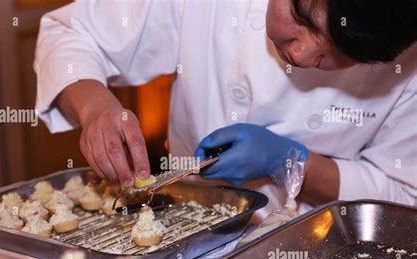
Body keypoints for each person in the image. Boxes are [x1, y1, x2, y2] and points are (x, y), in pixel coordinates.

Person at [34, 0, 416, 217]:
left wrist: (292, 162)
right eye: (300, 19)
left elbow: (404, 195)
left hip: (323, 245)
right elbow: (70, 33)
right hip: (183, 227)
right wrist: (95, 106)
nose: (300, 54)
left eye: (342, 52)